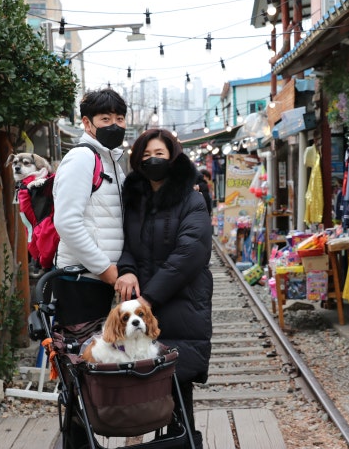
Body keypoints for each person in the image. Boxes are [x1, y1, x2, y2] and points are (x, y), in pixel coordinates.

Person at [116, 129, 213, 448]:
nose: (152, 160)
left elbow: (190, 253)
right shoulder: (134, 199)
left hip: (180, 302)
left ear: (173, 157)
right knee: (147, 383)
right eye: (145, 156)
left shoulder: (191, 197)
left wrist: (148, 298)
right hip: (143, 306)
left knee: (178, 381)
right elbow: (126, 244)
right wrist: (127, 271)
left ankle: (185, 441)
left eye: (159, 154)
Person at [52, 87, 128, 328]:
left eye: (119, 119)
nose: (114, 125)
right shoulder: (82, 158)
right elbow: (66, 222)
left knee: (103, 358)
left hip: (101, 279)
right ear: (87, 123)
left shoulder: (112, 162)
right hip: (81, 280)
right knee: (84, 357)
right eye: (105, 119)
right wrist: (103, 267)